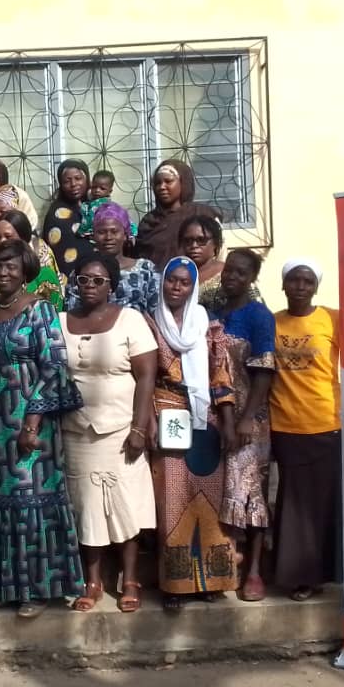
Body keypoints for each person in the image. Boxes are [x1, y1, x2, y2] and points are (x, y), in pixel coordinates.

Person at [0, 239, 85, 616]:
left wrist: (32, 421)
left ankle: (36, 589)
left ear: (26, 271)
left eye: (11, 267)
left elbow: (53, 366)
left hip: (28, 418)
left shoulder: (41, 309)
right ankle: (4, 585)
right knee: (1, 499)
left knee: (30, 496)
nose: (3, 273)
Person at [62, 254, 157, 614]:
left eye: (98, 280)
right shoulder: (61, 321)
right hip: (76, 430)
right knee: (86, 508)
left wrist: (139, 427)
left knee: (125, 506)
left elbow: (146, 376)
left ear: (112, 285)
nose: (89, 286)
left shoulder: (130, 319)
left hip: (120, 430)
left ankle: (130, 579)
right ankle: (93, 581)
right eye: (83, 279)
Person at [146, 256, 237, 612]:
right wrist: (149, 422)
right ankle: (175, 585)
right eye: (172, 280)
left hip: (206, 420)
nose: (177, 287)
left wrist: (227, 422)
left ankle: (213, 580)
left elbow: (221, 375)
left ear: (193, 286)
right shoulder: (149, 323)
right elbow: (145, 377)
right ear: (163, 282)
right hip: (166, 414)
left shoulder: (207, 325)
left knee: (210, 499)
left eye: (184, 282)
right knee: (172, 502)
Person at [269, 258, 341, 601]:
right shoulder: (272, 322)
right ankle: (297, 575)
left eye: (307, 281)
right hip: (285, 425)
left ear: (316, 287)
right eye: (294, 280)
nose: (300, 286)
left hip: (326, 424)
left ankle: (321, 575)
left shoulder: (332, 318)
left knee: (322, 505)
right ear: (283, 285)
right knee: (293, 505)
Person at [208, 249, 276, 602]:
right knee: (224, 493)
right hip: (219, 416)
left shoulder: (258, 316)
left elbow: (264, 371)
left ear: (251, 279)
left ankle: (253, 571)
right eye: (229, 270)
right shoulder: (214, 314)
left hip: (251, 418)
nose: (231, 277)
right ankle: (225, 565)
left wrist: (248, 417)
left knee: (251, 494)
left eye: (241, 272)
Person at [0, 210, 63, 316]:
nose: (2, 241)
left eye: (8, 236)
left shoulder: (45, 277)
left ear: (24, 238)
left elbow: (56, 317)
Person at [65, 202, 158, 313]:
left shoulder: (146, 270)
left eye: (114, 231)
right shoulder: (82, 273)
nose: (108, 237)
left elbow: (157, 311)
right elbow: (72, 312)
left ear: (125, 235)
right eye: (101, 232)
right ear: (93, 236)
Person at [134, 159, 220, 270]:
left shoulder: (201, 214)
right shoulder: (148, 221)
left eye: (168, 181)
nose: (162, 187)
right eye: (157, 183)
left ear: (183, 183)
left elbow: (218, 253)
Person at [42, 159, 95, 279]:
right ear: (61, 185)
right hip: (69, 278)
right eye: (67, 181)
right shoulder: (56, 214)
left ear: (87, 180)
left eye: (78, 178)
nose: (73, 184)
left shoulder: (96, 207)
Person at [178, 214, 227, 308]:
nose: (194, 245)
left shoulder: (228, 273)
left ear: (215, 243)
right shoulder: (174, 275)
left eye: (201, 240)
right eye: (188, 240)